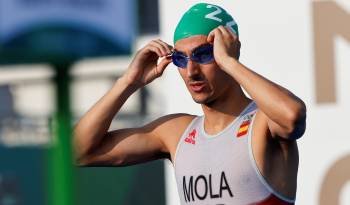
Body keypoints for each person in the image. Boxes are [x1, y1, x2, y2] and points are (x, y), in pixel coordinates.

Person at [73, 3, 306, 205]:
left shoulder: (263, 122)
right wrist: (128, 82)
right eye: (180, 59)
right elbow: (78, 152)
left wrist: (230, 63)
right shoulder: (176, 133)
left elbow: (293, 116)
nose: (191, 71)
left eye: (204, 55)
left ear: (229, 52)